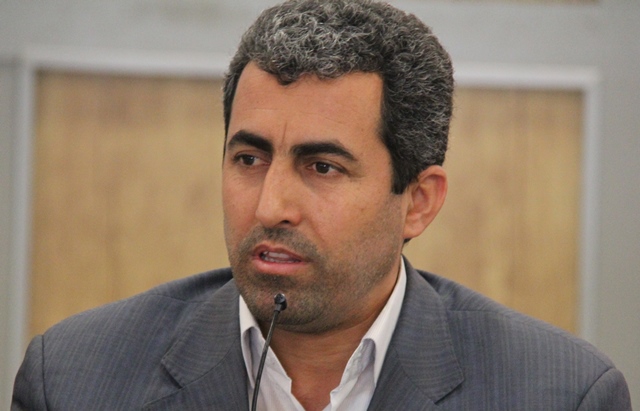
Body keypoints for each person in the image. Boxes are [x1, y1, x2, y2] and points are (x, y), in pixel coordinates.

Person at [12, 0, 631, 410]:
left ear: (418, 202)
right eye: (248, 159)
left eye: (322, 167)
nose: (270, 206)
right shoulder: (73, 381)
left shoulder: (559, 394)